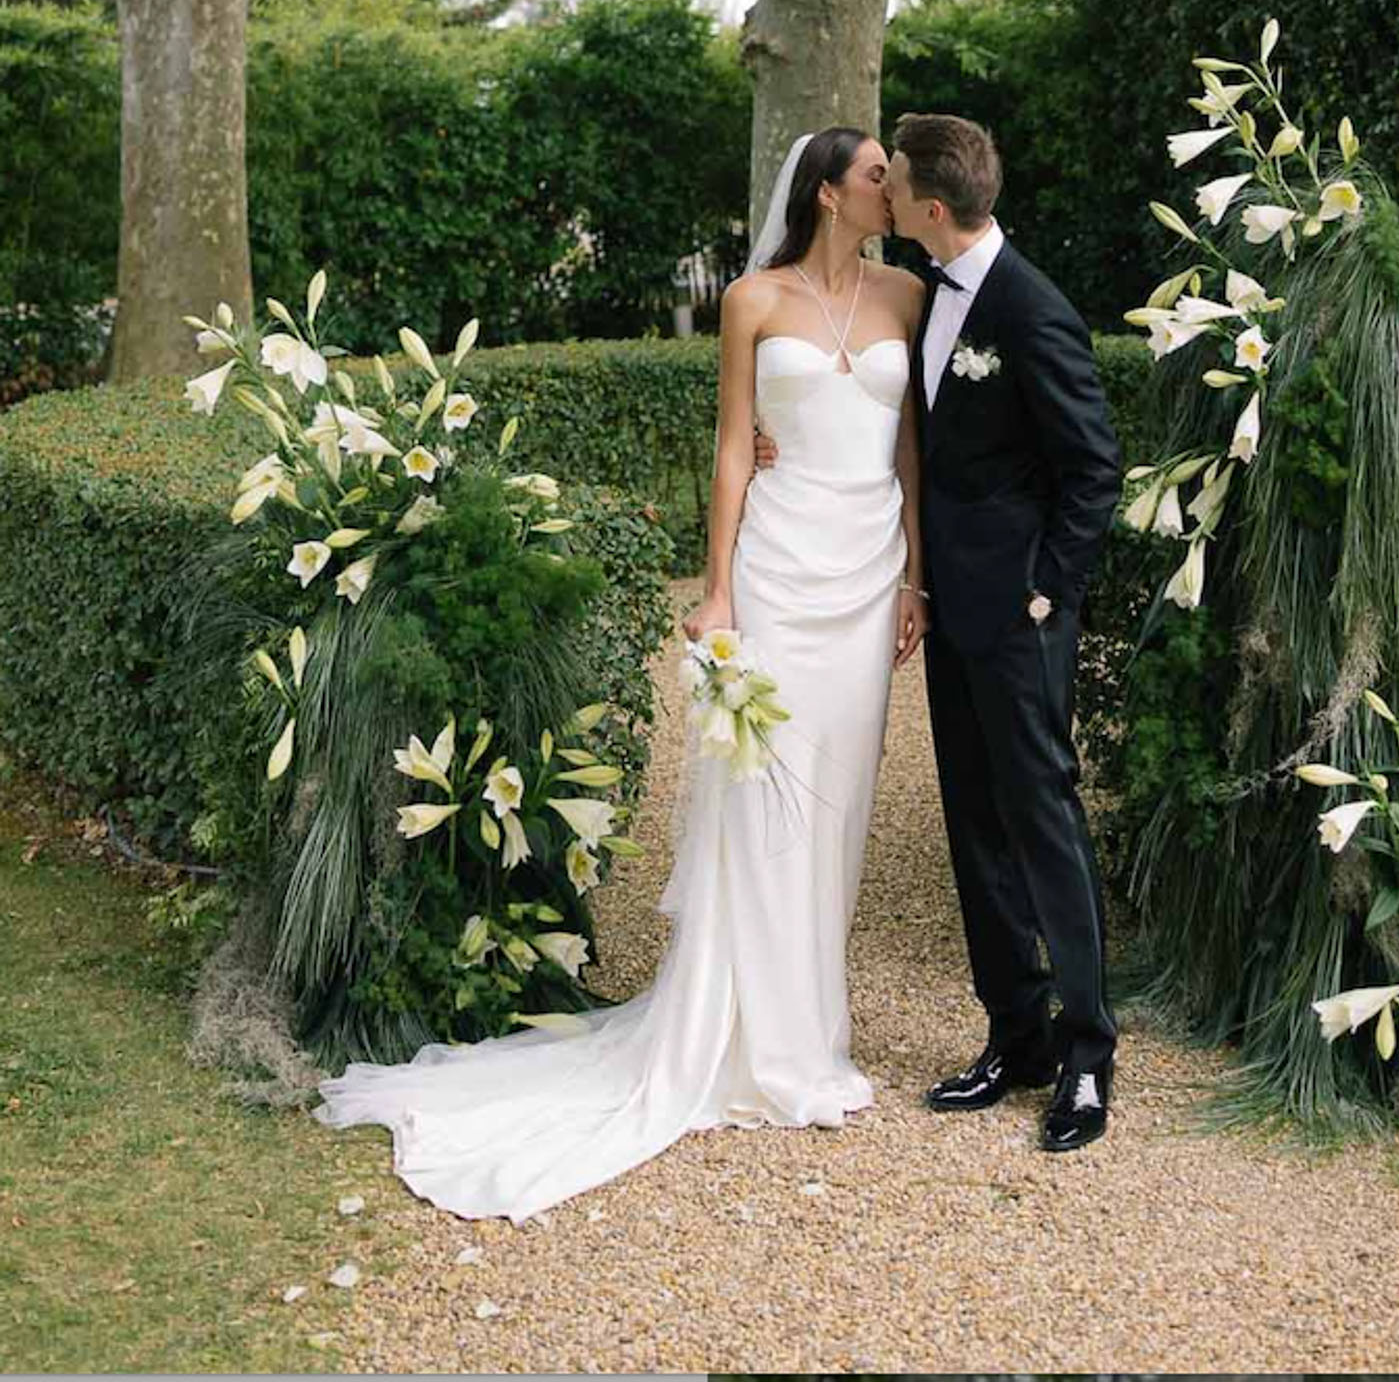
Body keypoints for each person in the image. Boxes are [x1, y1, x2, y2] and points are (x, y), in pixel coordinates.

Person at [313, 128, 927, 1222]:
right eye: (878, 173)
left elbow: (911, 445)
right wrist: (719, 587)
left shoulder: (908, 298)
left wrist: (918, 573)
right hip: (779, 570)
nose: (895, 187)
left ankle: (808, 1027)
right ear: (830, 192)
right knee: (762, 793)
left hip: (870, 568)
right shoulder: (752, 296)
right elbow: (736, 445)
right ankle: (746, 1037)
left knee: (838, 799)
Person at [756, 112, 1123, 1151]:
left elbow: (1094, 466)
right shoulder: (919, 299)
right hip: (948, 609)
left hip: (1019, 618)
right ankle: (1018, 1032)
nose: (880, 193)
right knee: (973, 821)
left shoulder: (1030, 308)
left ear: (924, 205)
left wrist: (1047, 594)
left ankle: (1089, 1052)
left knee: (1041, 819)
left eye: (892, 180)